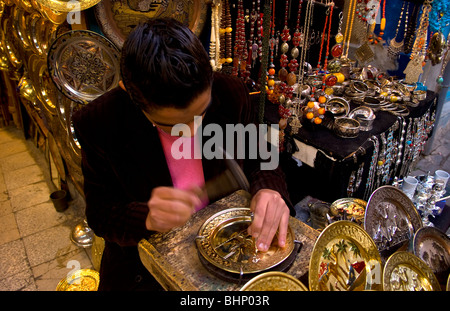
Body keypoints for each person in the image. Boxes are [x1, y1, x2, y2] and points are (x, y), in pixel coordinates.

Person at [72, 17, 294, 291]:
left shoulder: (230, 93)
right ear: (134, 98)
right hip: (145, 274)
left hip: (228, 254)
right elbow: (101, 213)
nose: (191, 132)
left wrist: (268, 190)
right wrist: (146, 217)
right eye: (173, 125)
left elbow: (262, 159)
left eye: (201, 114)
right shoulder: (99, 123)